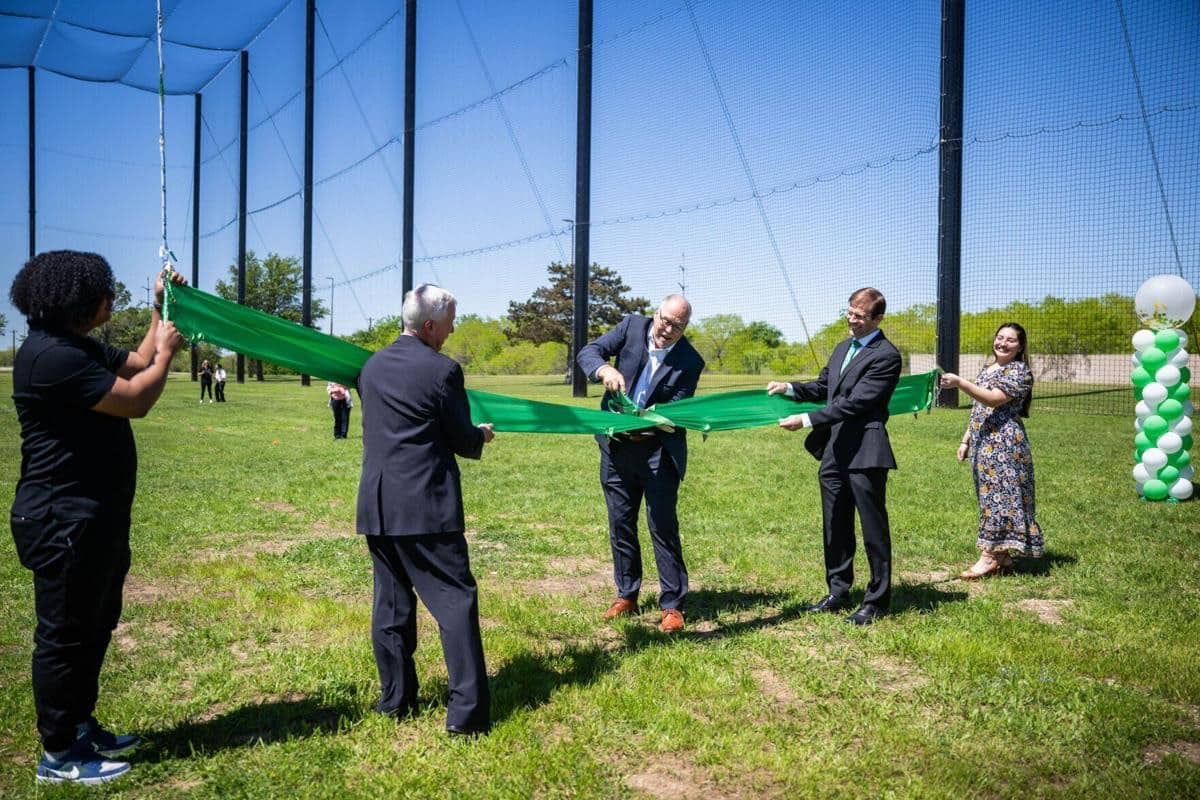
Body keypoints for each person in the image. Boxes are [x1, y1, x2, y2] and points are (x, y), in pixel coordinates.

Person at [8, 251, 186, 784]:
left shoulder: (72, 346)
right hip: (62, 518)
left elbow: (135, 358)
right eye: (103, 294)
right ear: (75, 301)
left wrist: (160, 309)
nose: (110, 301)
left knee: (93, 625)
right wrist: (169, 356)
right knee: (64, 635)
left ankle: (81, 726)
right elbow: (137, 396)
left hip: (92, 516)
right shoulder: (49, 358)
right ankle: (59, 755)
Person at [356, 284, 495, 736]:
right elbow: (459, 437)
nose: (454, 329)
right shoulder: (444, 371)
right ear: (431, 325)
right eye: (451, 320)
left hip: (378, 504)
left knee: (392, 606)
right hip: (426, 507)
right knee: (456, 603)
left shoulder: (371, 367)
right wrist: (481, 436)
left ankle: (395, 699)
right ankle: (467, 714)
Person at [767, 287, 901, 626]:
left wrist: (807, 419)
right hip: (834, 451)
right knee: (835, 524)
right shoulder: (843, 348)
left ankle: (876, 600)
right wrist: (790, 388)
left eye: (859, 316)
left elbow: (856, 403)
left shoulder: (887, 356)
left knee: (873, 528)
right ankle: (838, 591)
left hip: (866, 452)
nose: (851, 319)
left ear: (877, 319)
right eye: (849, 312)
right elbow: (825, 387)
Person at [576, 294, 705, 633]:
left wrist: (643, 422)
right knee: (621, 523)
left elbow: (676, 412)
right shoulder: (632, 327)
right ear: (656, 313)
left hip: (657, 452)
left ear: (685, 328)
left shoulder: (690, 361)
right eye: (665, 320)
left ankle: (673, 604)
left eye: (677, 326)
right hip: (615, 449)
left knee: (662, 526)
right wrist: (604, 368)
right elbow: (589, 351)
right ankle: (627, 594)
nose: (667, 329)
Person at [939, 322, 1043, 579]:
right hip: (983, 443)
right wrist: (966, 440)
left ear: (1020, 347)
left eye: (1010, 340)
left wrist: (961, 382)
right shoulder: (988, 369)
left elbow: (993, 399)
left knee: (1002, 498)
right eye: (999, 338)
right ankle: (1003, 556)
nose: (1003, 343)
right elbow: (979, 408)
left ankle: (988, 557)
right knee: (990, 498)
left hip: (1005, 445)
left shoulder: (1019, 371)